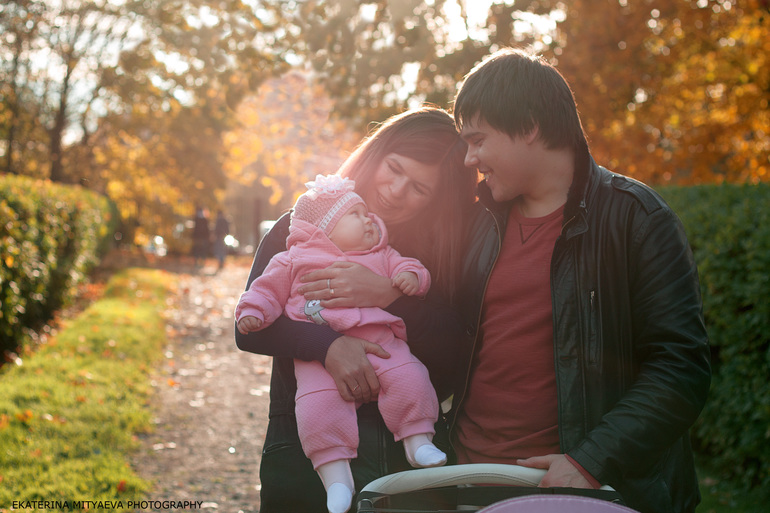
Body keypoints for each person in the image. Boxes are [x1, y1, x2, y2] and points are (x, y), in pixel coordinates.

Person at [447, 47, 711, 513]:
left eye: (478, 140)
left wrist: (590, 461)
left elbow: (680, 368)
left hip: (582, 492)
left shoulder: (637, 218)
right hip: (465, 482)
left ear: (528, 126)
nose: (470, 158)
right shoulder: (476, 224)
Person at [235, 107, 475, 512]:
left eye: (419, 187)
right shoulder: (299, 231)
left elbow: (458, 348)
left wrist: (388, 296)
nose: (397, 190)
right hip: (303, 451)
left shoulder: (439, 252)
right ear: (376, 154)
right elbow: (250, 328)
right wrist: (326, 345)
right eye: (394, 168)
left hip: (406, 452)